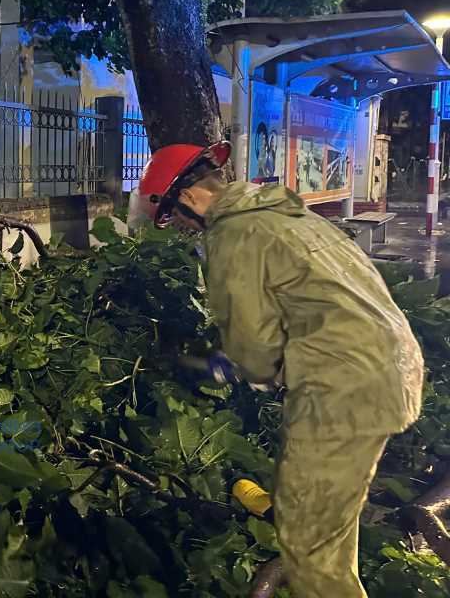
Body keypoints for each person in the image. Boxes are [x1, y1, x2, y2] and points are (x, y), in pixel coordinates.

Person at [131, 142, 424, 598]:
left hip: (342, 385)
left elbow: (255, 350)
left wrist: (220, 365)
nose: (185, 229)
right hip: (391, 365)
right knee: (327, 525)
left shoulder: (232, 233)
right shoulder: (287, 212)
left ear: (187, 198)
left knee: (309, 545)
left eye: (177, 219)